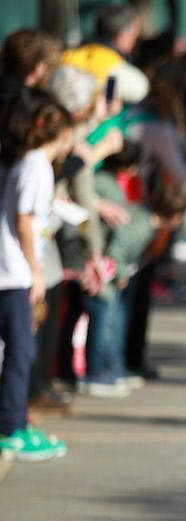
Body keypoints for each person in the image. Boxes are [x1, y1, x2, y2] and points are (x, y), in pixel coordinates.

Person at [0, 89, 76, 461]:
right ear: (62, 134)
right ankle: (11, 427)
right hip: (13, 273)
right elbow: (26, 221)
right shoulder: (37, 167)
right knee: (20, 351)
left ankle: (15, 421)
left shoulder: (30, 165)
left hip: (14, 270)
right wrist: (36, 271)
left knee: (19, 350)